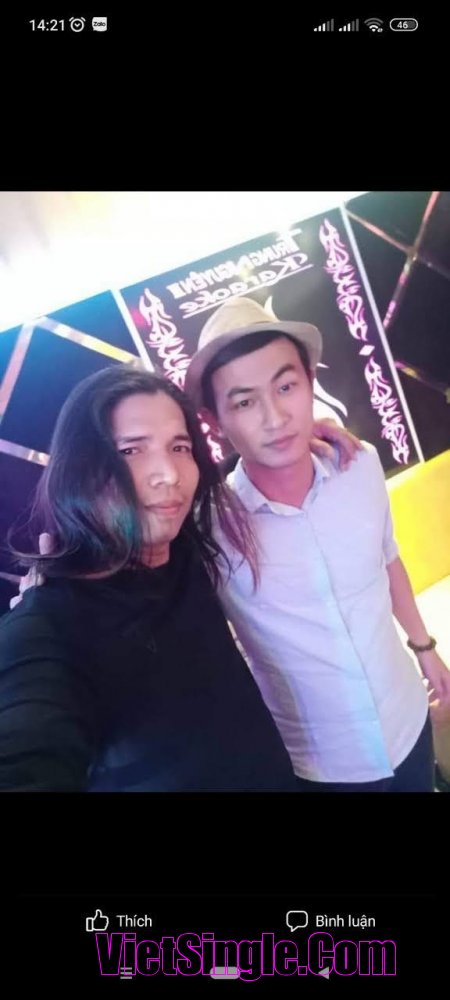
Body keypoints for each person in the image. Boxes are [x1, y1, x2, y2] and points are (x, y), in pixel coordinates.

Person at [184, 296, 450, 792]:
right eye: (244, 402)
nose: (275, 417)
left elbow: (388, 559)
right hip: (320, 764)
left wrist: (425, 647)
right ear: (216, 422)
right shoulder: (209, 528)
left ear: (310, 384)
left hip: (408, 719)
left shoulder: (359, 464)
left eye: (285, 387)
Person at [0, 366, 303, 792]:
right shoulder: (44, 629)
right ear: (81, 468)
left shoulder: (186, 545)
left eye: (179, 447)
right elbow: (27, 749)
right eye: (130, 450)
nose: (169, 474)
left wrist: (303, 444)